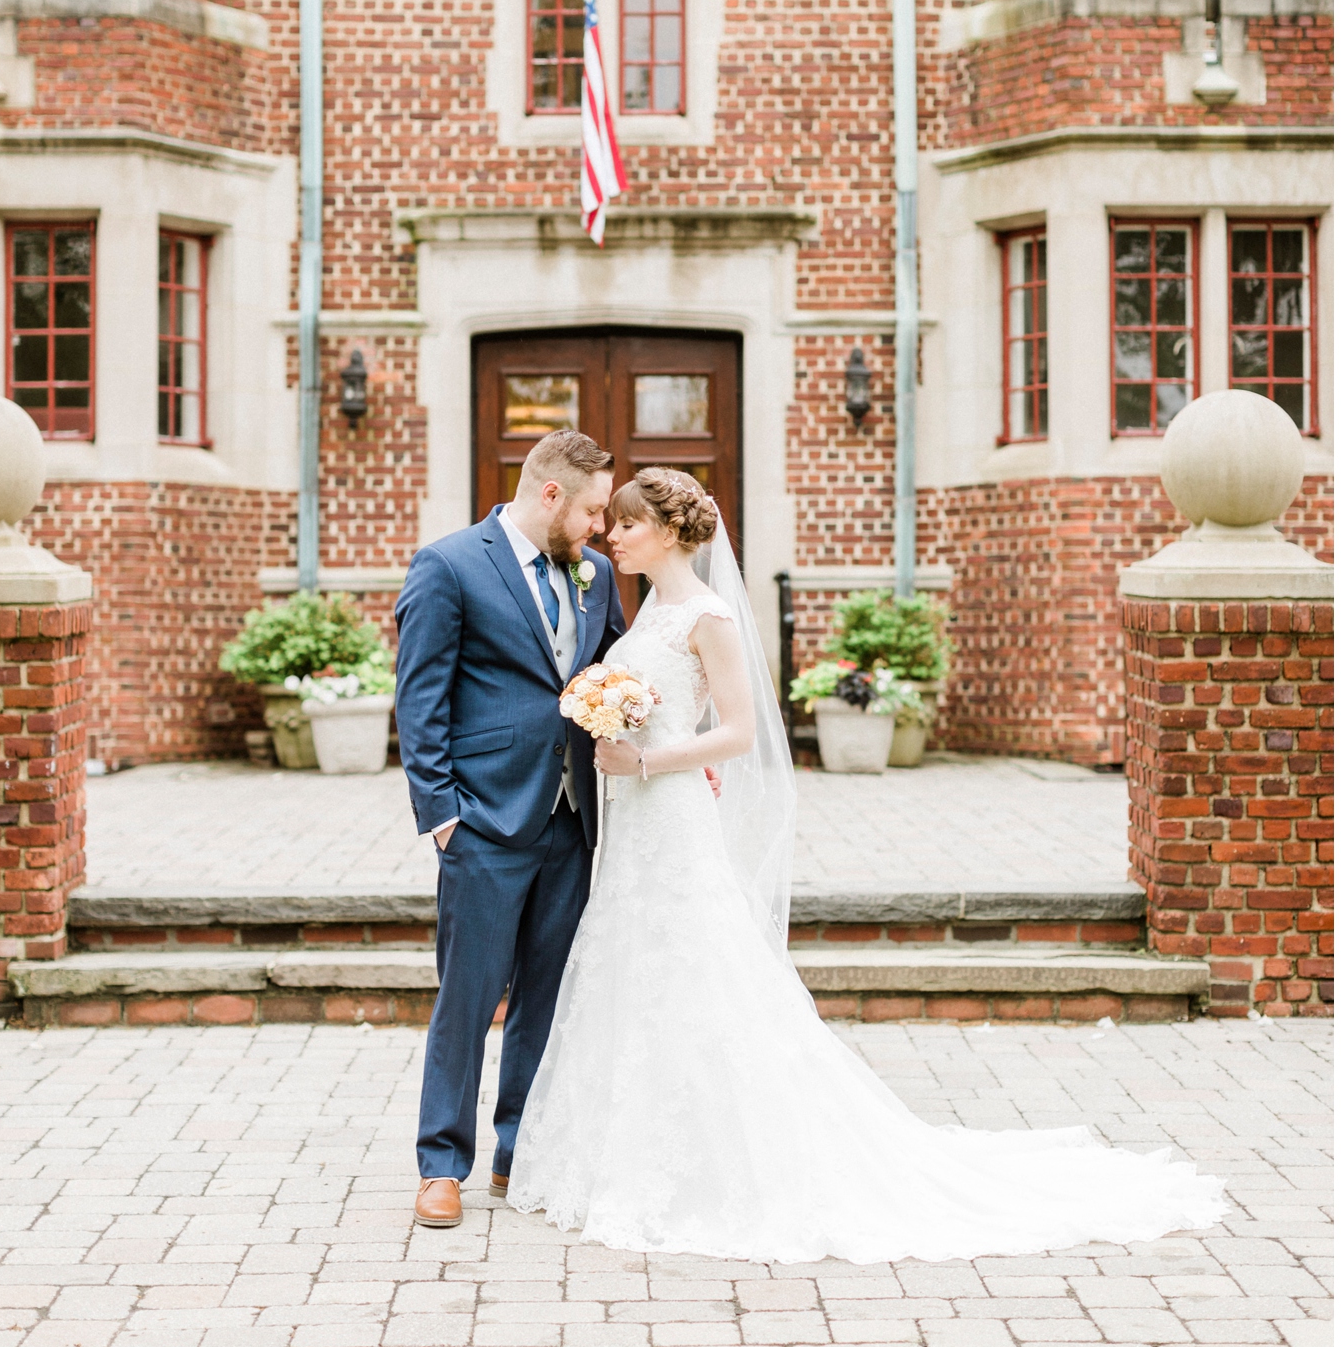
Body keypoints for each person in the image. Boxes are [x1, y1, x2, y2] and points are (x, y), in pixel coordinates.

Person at [509, 467, 1227, 1265]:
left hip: (669, 814)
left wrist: (651, 761)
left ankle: (718, 1163)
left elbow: (742, 732)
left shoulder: (708, 617)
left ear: (670, 533)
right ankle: (627, 1154)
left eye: (630, 524)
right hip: (635, 822)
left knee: (694, 962)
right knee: (633, 965)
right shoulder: (645, 612)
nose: (614, 535)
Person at [393, 430, 625, 1230]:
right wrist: (444, 817)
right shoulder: (450, 565)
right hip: (484, 820)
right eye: (593, 510)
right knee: (467, 997)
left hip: (572, 818)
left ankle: (516, 1148)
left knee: (546, 997)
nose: (600, 529)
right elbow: (419, 702)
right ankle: (440, 1163)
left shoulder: (595, 580)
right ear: (551, 494)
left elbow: (621, 674)